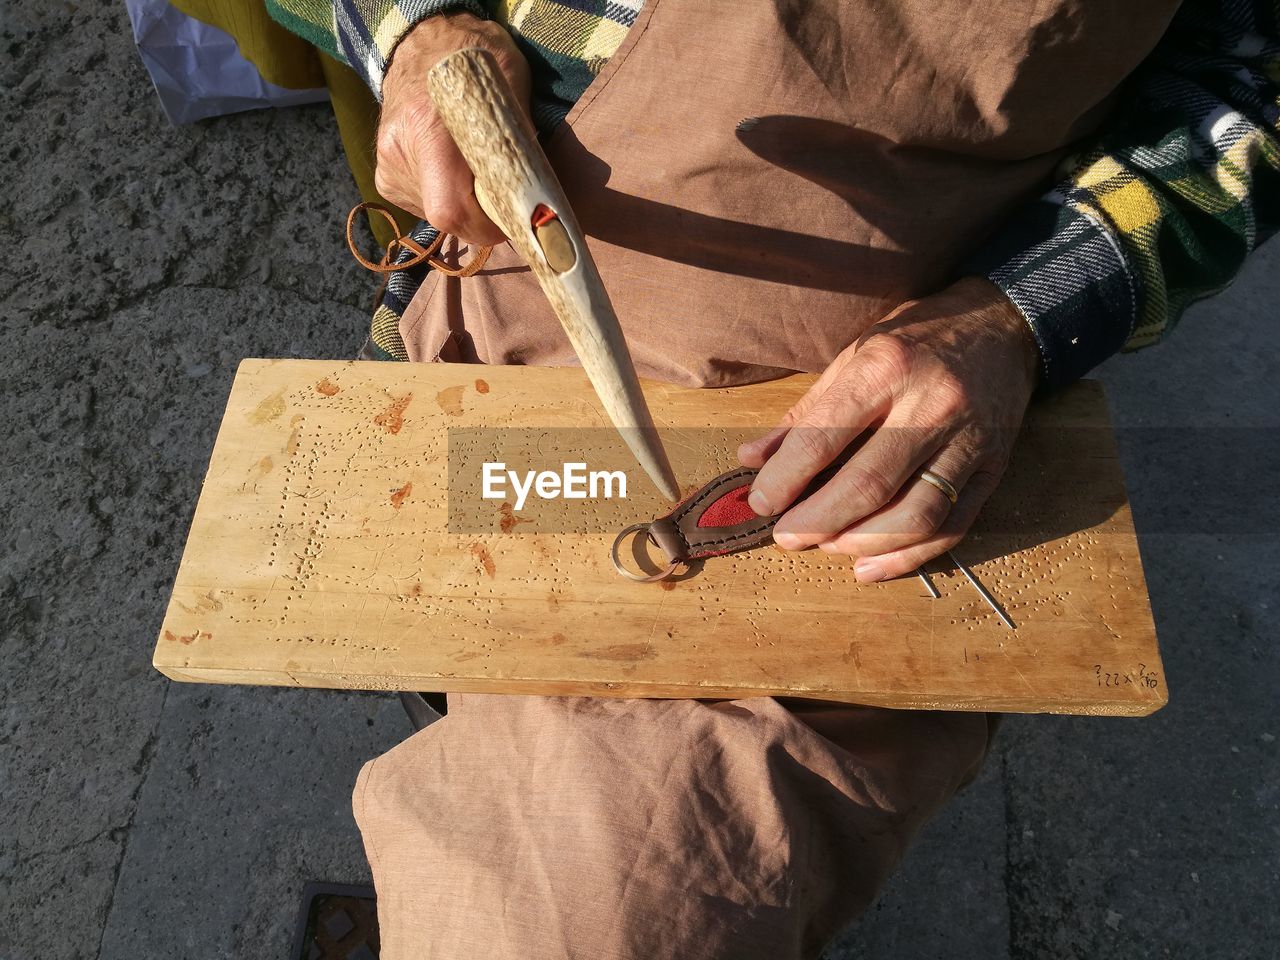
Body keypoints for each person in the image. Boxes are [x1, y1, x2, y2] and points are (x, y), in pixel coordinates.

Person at [260, 1, 1278, 957]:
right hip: (509, 283)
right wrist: (418, 30)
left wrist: (1017, 312)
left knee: (595, 905)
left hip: (861, 400)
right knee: (435, 596)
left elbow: (1252, 82)